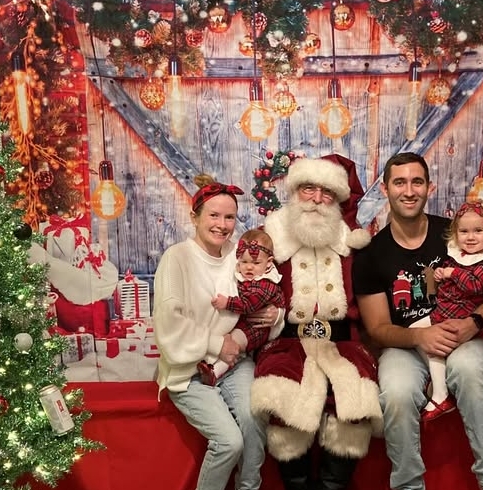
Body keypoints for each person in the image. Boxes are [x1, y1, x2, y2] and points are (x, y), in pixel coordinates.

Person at [352, 153, 483, 490]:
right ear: (385, 189)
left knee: (470, 370)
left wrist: (475, 322)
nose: (409, 191)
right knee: (396, 392)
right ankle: (408, 485)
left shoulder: (454, 233)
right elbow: (378, 329)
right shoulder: (371, 254)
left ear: (430, 187)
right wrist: (420, 337)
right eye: (399, 182)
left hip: (461, 335)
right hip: (405, 344)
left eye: (417, 182)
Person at [250, 154, 381, 490]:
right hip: (286, 340)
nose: (317, 199)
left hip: (343, 341)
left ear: (337, 200)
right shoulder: (270, 238)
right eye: (308, 189)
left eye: (327, 192)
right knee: (284, 393)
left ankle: (333, 486)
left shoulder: (351, 242)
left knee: (354, 399)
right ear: (295, 191)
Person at [153, 175, 280, 490]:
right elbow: (169, 324)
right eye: (214, 215)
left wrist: (275, 315)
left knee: (253, 421)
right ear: (194, 217)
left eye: (229, 217)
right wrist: (216, 343)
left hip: (234, 362)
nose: (222, 225)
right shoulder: (177, 258)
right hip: (189, 370)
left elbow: (270, 286)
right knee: (229, 442)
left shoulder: (239, 255)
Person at [415, 199, 483, 421]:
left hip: (462, 321)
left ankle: (440, 394)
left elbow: (475, 284)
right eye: (464, 231)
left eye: (478, 231)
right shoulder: (458, 255)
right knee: (417, 335)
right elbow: (447, 280)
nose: (471, 237)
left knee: (434, 345)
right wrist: (440, 274)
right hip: (443, 314)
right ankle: (439, 384)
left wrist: (452, 274)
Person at [198, 229, 285, 386]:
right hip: (244, 321)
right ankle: (211, 364)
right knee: (227, 339)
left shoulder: (266, 284)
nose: (249, 267)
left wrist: (227, 303)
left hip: (257, 327)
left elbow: (249, 305)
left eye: (256, 263)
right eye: (244, 262)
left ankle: (214, 372)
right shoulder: (246, 274)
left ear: (269, 263)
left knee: (234, 343)